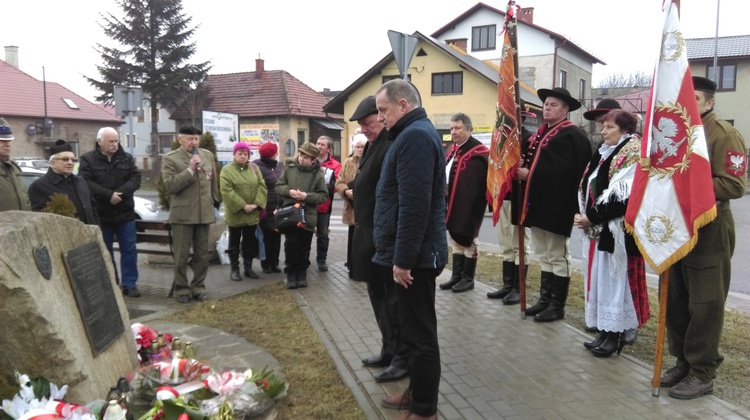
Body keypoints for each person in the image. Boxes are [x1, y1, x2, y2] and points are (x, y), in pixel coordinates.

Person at [660, 76, 747, 399]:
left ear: (709, 102)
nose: (688, 104)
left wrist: (688, 187)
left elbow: (734, 185)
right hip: (676, 226)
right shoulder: (678, 132)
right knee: (676, 299)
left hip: (709, 229)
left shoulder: (722, 134)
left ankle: (702, 371)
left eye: (695, 98)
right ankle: (683, 361)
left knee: (705, 303)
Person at [375, 79, 447, 420]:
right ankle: (416, 392)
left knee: (420, 336)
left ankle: (424, 410)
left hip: (415, 258)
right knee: (412, 330)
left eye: (383, 110)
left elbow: (415, 206)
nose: (380, 117)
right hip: (413, 255)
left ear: (403, 105)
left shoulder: (415, 136)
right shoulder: (411, 133)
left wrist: (403, 260)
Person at [573, 110, 649, 357]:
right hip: (600, 229)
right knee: (601, 280)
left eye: (609, 127)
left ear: (625, 129)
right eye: (603, 127)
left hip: (618, 231)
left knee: (616, 282)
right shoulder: (606, 151)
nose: (603, 131)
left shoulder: (632, 153)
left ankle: (616, 335)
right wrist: (583, 212)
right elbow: (591, 183)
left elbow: (621, 197)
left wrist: (591, 217)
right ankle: (605, 331)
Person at [349, 96, 410, 383]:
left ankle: (402, 357)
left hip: (384, 236)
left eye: (368, 123)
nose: (364, 130)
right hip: (369, 234)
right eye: (361, 126)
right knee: (378, 298)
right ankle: (388, 349)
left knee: (394, 301)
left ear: (381, 116)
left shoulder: (391, 142)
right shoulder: (375, 144)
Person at [518, 87, 592, 322]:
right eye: (546, 104)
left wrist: (528, 174)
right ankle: (545, 299)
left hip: (558, 205)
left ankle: (557, 305)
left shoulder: (572, 135)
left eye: (553, 105)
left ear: (565, 109)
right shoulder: (542, 133)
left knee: (558, 255)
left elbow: (567, 173)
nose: (547, 108)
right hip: (539, 204)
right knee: (543, 254)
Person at [79, 127, 142, 297]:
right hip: (102, 214)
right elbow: (86, 182)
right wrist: (109, 196)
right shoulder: (87, 159)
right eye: (111, 141)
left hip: (125, 213)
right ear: (100, 142)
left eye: (116, 141)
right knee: (105, 250)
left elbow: (135, 179)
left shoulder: (126, 158)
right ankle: (112, 282)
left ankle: (130, 284)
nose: (115, 144)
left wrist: (119, 194)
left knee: (129, 250)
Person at [161, 126, 219, 304]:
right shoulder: (170, 159)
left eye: (196, 139)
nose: (194, 142)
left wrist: (215, 202)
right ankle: (182, 289)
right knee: (181, 256)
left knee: (202, 255)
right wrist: (190, 170)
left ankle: (198, 287)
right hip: (183, 215)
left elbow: (213, 181)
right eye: (190, 139)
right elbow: (170, 186)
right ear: (180, 140)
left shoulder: (207, 155)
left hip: (203, 213)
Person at [486, 107, 535, 304]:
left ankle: (517, 288)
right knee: (506, 244)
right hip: (503, 197)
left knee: (520, 245)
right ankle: (507, 285)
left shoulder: (530, 139)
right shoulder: (500, 140)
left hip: (520, 198)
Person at [439, 113, 488, 294]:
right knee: (454, 239)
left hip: (469, 205)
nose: (453, 132)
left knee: (469, 240)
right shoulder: (453, 149)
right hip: (451, 200)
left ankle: (468, 279)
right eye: (452, 128)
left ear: (468, 129)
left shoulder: (479, 151)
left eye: (457, 128)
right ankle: (456, 276)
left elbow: (476, 184)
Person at [275, 142, 328, 289]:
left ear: (313, 160)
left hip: (308, 215)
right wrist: (289, 191)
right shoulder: (290, 169)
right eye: (300, 155)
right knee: (291, 245)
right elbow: (278, 186)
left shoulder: (318, 174)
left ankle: (302, 274)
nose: (301, 159)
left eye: (306, 157)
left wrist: (306, 196)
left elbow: (323, 196)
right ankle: (291, 273)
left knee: (304, 247)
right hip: (291, 215)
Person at [220, 141, 268, 281]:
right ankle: (234, 269)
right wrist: (243, 205)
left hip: (252, 213)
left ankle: (248, 267)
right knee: (234, 242)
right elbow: (227, 190)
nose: (242, 156)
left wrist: (256, 204)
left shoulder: (254, 168)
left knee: (250, 242)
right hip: (236, 213)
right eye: (239, 153)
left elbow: (262, 186)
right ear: (234, 155)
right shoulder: (227, 170)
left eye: (245, 154)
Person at [29, 140, 99, 225]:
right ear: (52, 163)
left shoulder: (80, 181)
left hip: (89, 234)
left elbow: (93, 210)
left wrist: (97, 230)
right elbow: (41, 220)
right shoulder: (39, 186)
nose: (70, 163)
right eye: (65, 159)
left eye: (73, 160)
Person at [335, 135, 365, 279]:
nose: (359, 149)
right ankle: (352, 268)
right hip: (352, 208)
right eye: (357, 147)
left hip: (366, 208)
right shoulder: (348, 162)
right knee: (352, 239)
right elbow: (339, 182)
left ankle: (363, 269)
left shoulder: (370, 161)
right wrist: (346, 191)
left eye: (362, 147)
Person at [254, 141, 283, 274]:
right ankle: (265, 263)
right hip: (265, 208)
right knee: (266, 237)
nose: (277, 154)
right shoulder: (256, 167)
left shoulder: (277, 167)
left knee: (276, 235)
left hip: (278, 208)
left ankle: (275, 263)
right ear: (271, 154)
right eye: (275, 152)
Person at [314, 135, 341, 272]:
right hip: (308, 204)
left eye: (322, 145)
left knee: (323, 234)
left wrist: (321, 188)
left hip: (324, 205)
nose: (319, 146)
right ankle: (303, 259)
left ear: (329, 149)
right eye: (318, 143)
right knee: (304, 233)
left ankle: (322, 260)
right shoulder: (309, 161)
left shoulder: (335, 165)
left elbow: (335, 185)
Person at [0, 118, 31, 212]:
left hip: (21, 223)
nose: (8, 144)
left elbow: (25, 197)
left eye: (9, 140)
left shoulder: (14, 167)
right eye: (2, 141)